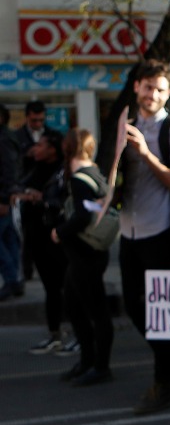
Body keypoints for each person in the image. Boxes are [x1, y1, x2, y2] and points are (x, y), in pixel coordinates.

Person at [119, 60, 170, 415]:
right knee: (133, 306)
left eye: (161, 89)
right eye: (149, 87)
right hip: (127, 227)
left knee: (159, 312)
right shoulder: (123, 124)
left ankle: (164, 380)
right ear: (137, 87)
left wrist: (146, 154)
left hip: (158, 229)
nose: (153, 95)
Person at [51, 128, 114, 386]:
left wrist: (59, 232)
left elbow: (82, 216)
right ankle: (88, 361)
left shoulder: (79, 178)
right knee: (76, 305)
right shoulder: (96, 173)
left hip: (83, 253)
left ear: (67, 149)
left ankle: (99, 366)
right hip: (95, 251)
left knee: (93, 310)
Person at [14, 101, 69, 354]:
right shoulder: (29, 162)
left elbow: (61, 201)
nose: (36, 147)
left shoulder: (60, 172)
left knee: (63, 285)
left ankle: (74, 334)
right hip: (34, 231)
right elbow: (17, 185)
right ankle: (54, 333)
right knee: (50, 285)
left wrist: (41, 199)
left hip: (54, 235)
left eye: (42, 145)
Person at [0, 105, 24, 301]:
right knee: (10, 240)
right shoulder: (8, 137)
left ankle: (11, 279)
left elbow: (9, 171)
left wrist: (4, 198)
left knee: (7, 240)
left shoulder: (4, 139)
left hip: (4, 198)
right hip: (8, 196)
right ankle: (14, 280)